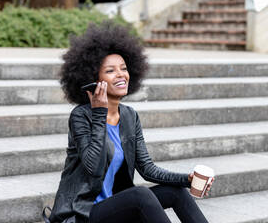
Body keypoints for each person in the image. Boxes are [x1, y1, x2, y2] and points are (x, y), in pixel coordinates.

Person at [44, 21, 213, 223]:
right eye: (110, 71)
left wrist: (186, 179)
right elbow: (94, 168)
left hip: (115, 205)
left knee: (177, 192)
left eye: (123, 68)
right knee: (140, 195)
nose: (121, 75)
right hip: (82, 213)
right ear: (92, 79)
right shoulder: (81, 116)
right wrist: (99, 113)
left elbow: (147, 168)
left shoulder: (129, 116)